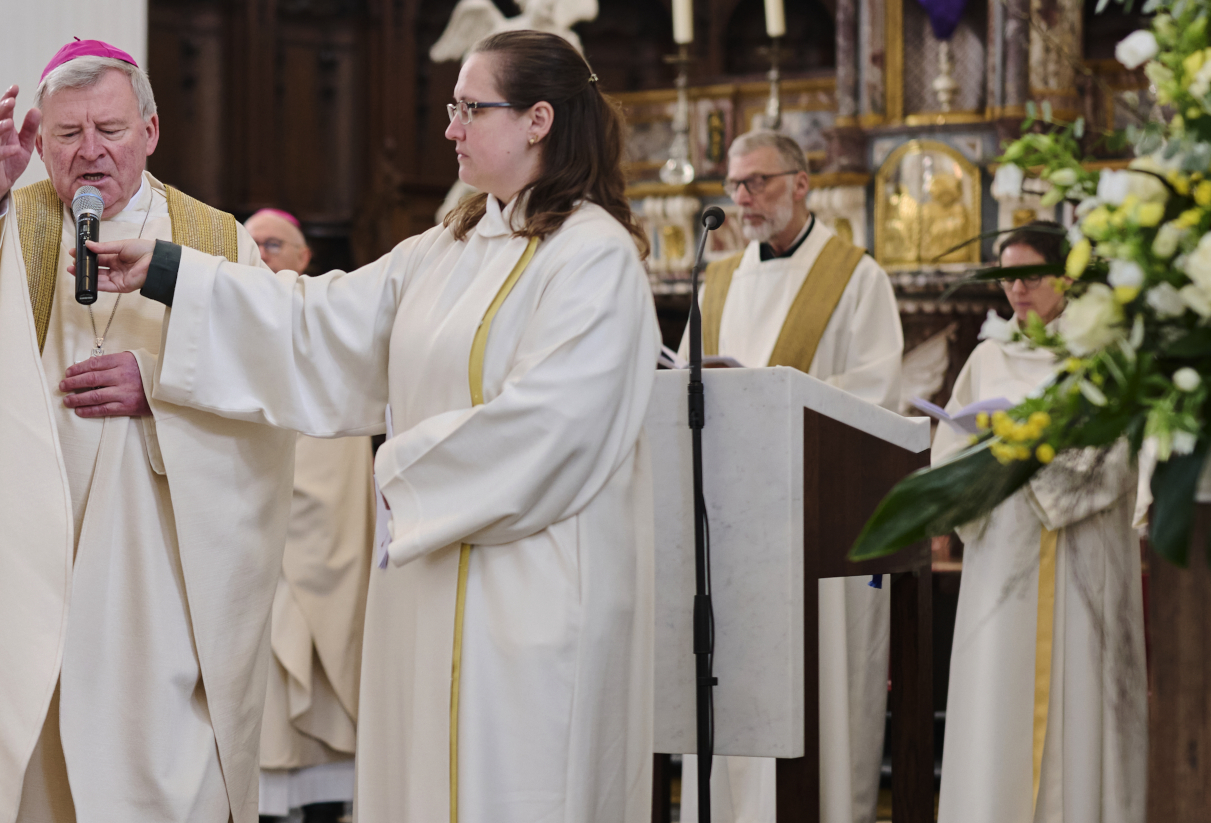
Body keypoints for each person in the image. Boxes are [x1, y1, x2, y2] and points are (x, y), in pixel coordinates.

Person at [82, 30, 659, 823]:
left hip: (532, 602)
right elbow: (322, 321)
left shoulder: (594, 258)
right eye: (452, 108)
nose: (450, 127)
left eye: (469, 108)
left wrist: (400, 475)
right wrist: (172, 271)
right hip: (429, 590)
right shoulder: (450, 246)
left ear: (538, 119)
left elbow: (556, 425)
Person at [0, 39, 293, 823]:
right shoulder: (8, 226)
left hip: (155, 575)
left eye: (110, 131)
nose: (89, 153)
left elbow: (274, 383)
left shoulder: (216, 242)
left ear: (151, 131)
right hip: (27, 571)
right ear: (38, 141)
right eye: (66, 135)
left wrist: (163, 388)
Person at [675, 130, 904, 823]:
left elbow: (877, 395)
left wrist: (779, 393)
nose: (743, 199)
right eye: (735, 185)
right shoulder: (712, 282)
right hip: (728, 527)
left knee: (820, 696)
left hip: (815, 522)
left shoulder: (855, 276)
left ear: (802, 184)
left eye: (759, 183)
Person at [934, 223, 1146, 822]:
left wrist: (1031, 465)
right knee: (996, 694)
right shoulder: (987, 356)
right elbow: (950, 447)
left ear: (1068, 277)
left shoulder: (1103, 350)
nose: (1017, 290)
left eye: (1030, 275)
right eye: (1007, 277)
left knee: (1077, 700)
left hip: (1077, 547)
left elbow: (1117, 452)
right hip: (1002, 551)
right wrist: (976, 467)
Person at [244, 207, 373, 823]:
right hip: (245, 569)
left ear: (303, 260)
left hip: (308, 564)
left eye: (274, 244)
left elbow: (334, 480)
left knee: (316, 739)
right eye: (250, 245)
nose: (262, 254)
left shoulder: (328, 335)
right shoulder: (216, 330)